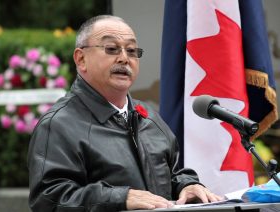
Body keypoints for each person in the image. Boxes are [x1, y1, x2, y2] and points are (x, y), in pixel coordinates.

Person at [28, 15, 222, 212]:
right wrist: (120, 197)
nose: (124, 58)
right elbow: (49, 199)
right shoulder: (59, 124)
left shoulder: (150, 118)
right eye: (111, 49)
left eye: (131, 51)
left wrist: (187, 186)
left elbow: (171, 174)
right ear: (81, 59)